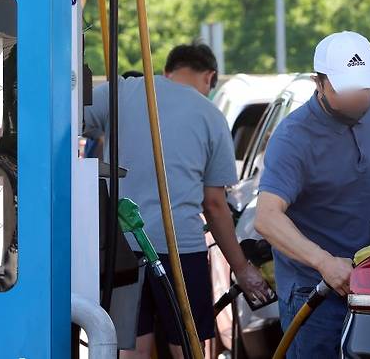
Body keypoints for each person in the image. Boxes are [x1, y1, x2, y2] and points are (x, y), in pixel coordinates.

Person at [85, 42, 272, 358]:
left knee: (131, 347)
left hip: (120, 250)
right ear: (209, 77)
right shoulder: (210, 116)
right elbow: (213, 204)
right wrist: (241, 267)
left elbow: (71, 117)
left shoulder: (119, 93)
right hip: (181, 250)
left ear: (168, 71)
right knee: (187, 347)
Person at [254, 31, 370, 358]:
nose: (360, 97)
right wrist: (324, 262)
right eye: (348, 89)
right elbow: (266, 217)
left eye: (366, 88)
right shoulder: (293, 138)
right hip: (313, 293)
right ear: (319, 83)